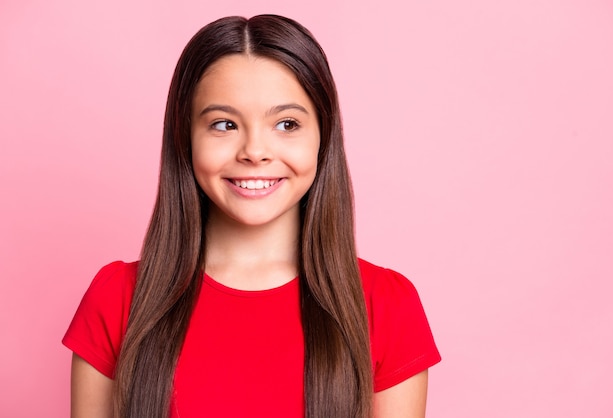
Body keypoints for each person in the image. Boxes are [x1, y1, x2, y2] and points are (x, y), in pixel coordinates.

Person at [63, 14, 441, 418]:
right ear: (185, 137)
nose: (255, 151)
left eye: (286, 123)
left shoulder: (386, 306)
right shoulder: (117, 299)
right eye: (224, 124)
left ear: (323, 137)